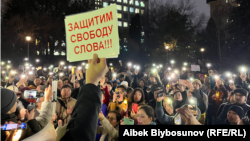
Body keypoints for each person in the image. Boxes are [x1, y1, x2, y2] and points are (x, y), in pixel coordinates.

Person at [56, 54, 109, 141]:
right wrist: (92, 81)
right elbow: (79, 134)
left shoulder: (75, 101)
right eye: (64, 90)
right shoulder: (58, 102)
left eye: (68, 90)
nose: (66, 92)